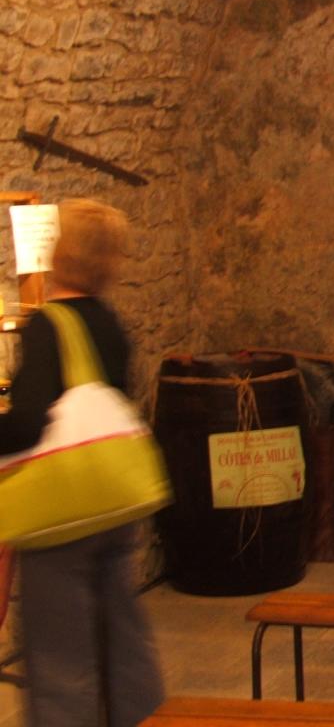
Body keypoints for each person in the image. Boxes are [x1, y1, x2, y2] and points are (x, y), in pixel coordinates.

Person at [1, 199, 164, 727]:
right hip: (114, 504)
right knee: (126, 647)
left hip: (63, 514)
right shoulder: (110, 324)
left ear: (59, 251)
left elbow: (29, 422)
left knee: (61, 662)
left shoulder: (49, 324)